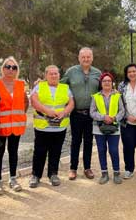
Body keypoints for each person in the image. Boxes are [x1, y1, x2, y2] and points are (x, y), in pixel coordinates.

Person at [29, 65, 74, 187]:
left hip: (60, 126)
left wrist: (64, 112)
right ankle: (36, 175)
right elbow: (34, 101)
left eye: (56, 73)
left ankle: (53, 174)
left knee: (56, 151)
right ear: (46, 75)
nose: (54, 76)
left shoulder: (65, 87)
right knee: (39, 151)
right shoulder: (39, 86)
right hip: (42, 126)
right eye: (51, 74)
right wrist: (47, 111)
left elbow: (71, 103)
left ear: (59, 75)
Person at [61, 47, 101, 180]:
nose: (86, 59)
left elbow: (103, 91)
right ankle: (73, 168)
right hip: (76, 113)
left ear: (92, 58)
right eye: (83, 57)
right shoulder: (71, 72)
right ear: (79, 58)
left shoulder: (98, 73)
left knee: (89, 141)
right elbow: (60, 85)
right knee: (76, 141)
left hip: (91, 114)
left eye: (88, 57)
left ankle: (87, 168)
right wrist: (44, 83)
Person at [0, 57, 29, 195]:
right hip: (0, 127)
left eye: (14, 67)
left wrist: (19, 116)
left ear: (17, 70)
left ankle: (13, 179)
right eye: (8, 66)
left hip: (16, 126)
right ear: (3, 68)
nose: (11, 70)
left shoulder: (20, 84)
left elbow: (25, 102)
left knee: (13, 152)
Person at [90, 72, 125, 184]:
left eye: (109, 81)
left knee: (114, 150)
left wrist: (114, 118)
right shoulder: (96, 96)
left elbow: (122, 110)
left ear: (112, 82)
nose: (107, 83)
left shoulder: (117, 95)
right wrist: (103, 117)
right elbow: (92, 112)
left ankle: (116, 173)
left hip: (114, 127)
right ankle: (104, 173)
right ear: (101, 83)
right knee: (101, 150)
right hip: (99, 128)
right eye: (104, 81)